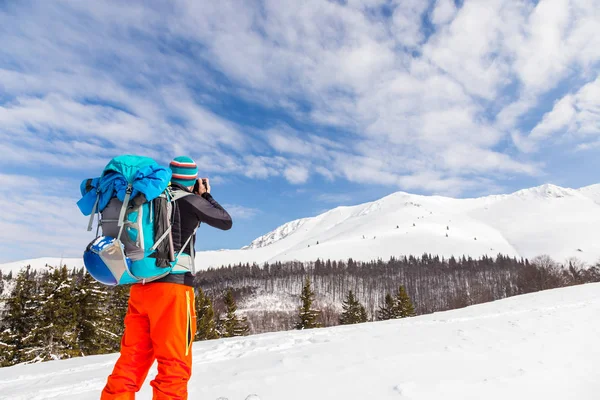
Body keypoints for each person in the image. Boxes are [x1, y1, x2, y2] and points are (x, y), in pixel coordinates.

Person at [101, 156, 232, 400]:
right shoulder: (189, 200)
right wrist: (205, 196)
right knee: (174, 364)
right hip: (173, 292)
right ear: (193, 180)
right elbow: (225, 221)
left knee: (131, 361)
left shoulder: (149, 198)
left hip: (140, 286)